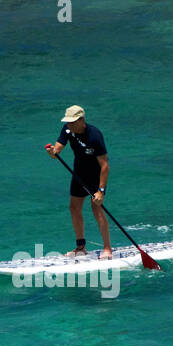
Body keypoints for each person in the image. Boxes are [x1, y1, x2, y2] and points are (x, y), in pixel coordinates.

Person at [45, 105, 111, 258]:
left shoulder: (94, 135)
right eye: (68, 122)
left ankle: (107, 248)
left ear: (82, 120)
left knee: (96, 208)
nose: (69, 125)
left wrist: (101, 191)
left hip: (96, 177)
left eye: (72, 122)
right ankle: (81, 247)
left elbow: (105, 165)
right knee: (74, 208)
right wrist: (52, 152)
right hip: (79, 174)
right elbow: (57, 152)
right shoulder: (67, 129)